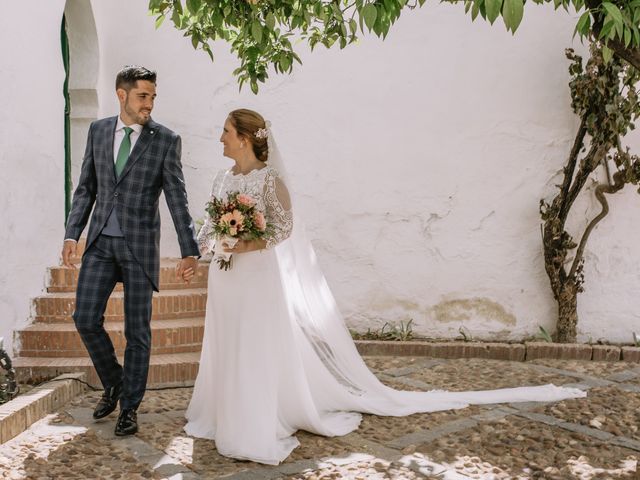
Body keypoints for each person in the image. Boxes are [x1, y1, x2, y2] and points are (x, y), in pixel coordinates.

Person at [182, 109, 585, 465]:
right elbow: (206, 228)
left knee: (253, 345)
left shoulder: (270, 181)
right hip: (226, 276)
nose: (220, 137)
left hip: (256, 278)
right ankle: (224, 415)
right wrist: (201, 251)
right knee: (228, 342)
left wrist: (246, 243)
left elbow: (283, 228)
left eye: (225, 130)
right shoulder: (222, 180)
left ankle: (252, 423)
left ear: (245, 137)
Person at [61, 66, 200, 436]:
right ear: (121, 95)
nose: (149, 104)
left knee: (138, 331)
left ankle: (130, 407)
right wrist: (72, 234)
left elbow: (177, 198)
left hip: (139, 247)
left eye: (153, 96)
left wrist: (190, 250)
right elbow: (86, 188)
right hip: (100, 244)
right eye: (143, 96)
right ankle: (115, 381)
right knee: (85, 318)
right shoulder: (98, 130)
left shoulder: (165, 140)